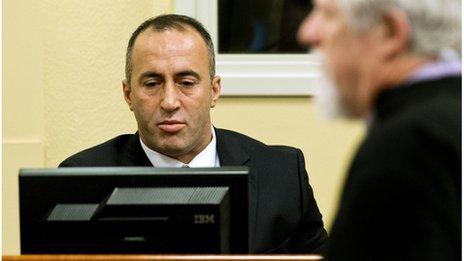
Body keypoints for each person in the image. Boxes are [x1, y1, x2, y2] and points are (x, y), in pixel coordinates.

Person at [59, 14, 328, 253]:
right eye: (152, 83)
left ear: (214, 90)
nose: (169, 101)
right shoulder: (80, 182)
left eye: (186, 83)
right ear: (128, 94)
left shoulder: (282, 174)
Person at [297, 0, 461, 260]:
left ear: (389, 32)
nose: (307, 32)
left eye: (328, 15)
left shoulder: (409, 145)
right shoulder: (448, 118)